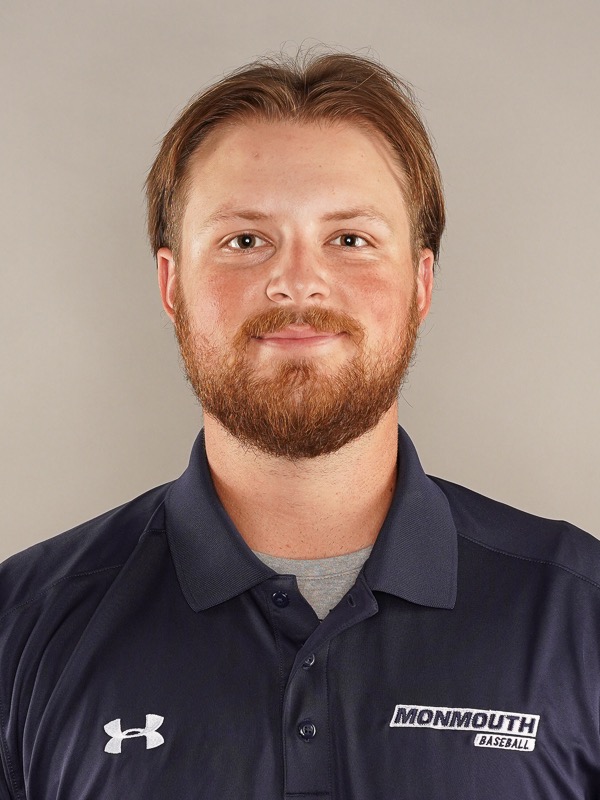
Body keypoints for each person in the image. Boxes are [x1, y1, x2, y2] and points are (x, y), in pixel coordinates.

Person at [1, 49, 599, 800]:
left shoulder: (580, 614)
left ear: (420, 285)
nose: (297, 282)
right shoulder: (22, 627)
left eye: (349, 239)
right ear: (171, 284)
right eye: (245, 240)